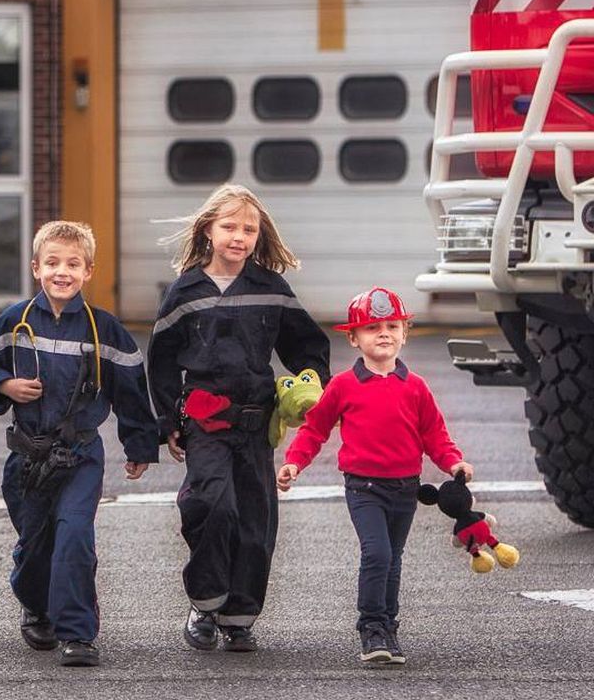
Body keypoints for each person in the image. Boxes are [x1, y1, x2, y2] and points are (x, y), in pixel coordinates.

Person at [0, 220, 158, 668]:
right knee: (36, 544)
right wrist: (4, 385)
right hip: (27, 456)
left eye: (73, 264)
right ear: (36, 267)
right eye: (52, 263)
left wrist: (140, 446)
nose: (62, 272)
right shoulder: (13, 321)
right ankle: (36, 604)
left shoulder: (104, 329)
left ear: (88, 271)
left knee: (74, 535)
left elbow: (131, 387)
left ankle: (77, 633)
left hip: (81, 456)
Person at [147, 183, 330, 653]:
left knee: (255, 520)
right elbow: (162, 361)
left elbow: (307, 346)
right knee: (211, 505)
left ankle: (239, 617)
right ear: (208, 229)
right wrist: (168, 422)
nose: (239, 236)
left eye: (249, 229)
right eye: (229, 226)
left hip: (257, 421)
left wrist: (311, 383)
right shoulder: (185, 291)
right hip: (205, 421)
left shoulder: (271, 288)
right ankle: (205, 602)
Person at [277, 286, 473, 667]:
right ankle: (371, 628)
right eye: (371, 328)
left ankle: (388, 625)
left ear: (404, 333)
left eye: (392, 325)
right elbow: (315, 429)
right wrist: (294, 463)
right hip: (363, 487)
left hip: (406, 488)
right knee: (377, 553)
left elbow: (435, 434)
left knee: (394, 558)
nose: (383, 333)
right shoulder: (343, 386)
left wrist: (454, 463)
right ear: (353, 338)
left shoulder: (415, 387)